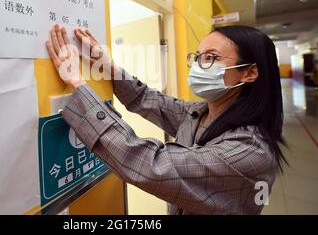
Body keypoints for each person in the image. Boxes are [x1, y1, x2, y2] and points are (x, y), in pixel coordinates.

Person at [45, 24, 287, 215]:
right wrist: (109, 67)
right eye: (198, 56)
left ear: (250, 72)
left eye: (211, 58)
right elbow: (149, 100)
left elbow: (150, 164)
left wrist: (78, 84)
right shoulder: (201, 112)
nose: (199, 66)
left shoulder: (249, 151)